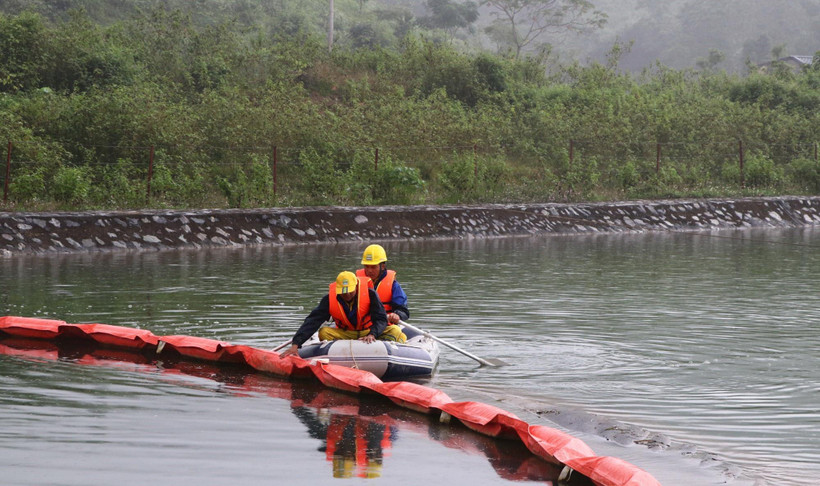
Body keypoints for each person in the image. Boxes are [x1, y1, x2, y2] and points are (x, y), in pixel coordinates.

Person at [281, 271, 406, 357]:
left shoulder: (370, 294)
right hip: (347, 333)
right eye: (343, 292)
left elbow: (380, 319)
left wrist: (373, 334)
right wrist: (296, 344)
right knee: (324, 332)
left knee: (395, 330)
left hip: (367, 332)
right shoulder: (329, 299)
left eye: (350, 291)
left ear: (356, 286)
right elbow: (312, 321)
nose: (347, 295)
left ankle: (385, 348)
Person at [356, 244, 409, 326]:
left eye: (373, 267)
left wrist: (397, 315)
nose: (369, 271)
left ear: (383, 266)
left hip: (385, 324)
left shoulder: (393, 285)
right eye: (366, 266)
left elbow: (403, 310)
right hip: (361, 325)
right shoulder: (355, 281)